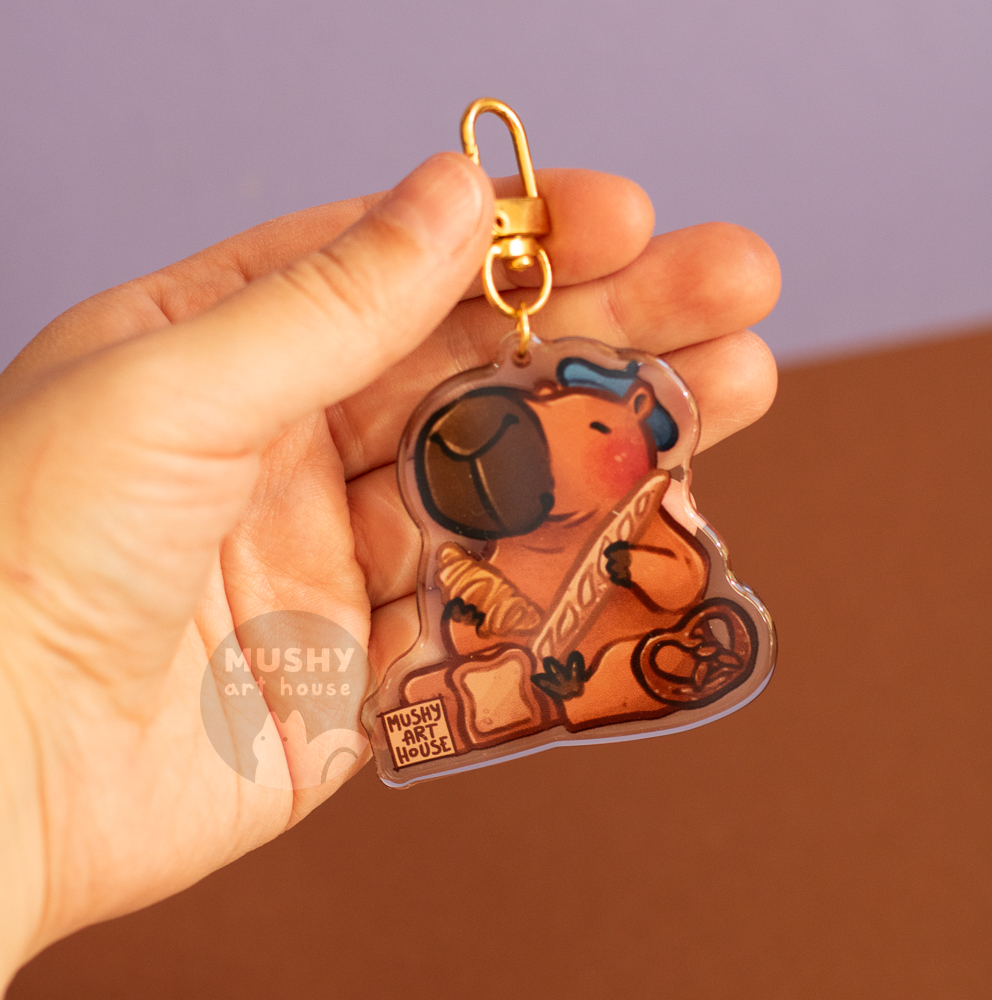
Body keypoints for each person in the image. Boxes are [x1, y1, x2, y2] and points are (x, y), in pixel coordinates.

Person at [0, 152, 780, 985]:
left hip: (615, 647)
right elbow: (490, 610)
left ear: (634, 417)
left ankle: (660, 666)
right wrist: (482, 609)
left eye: (584, 436)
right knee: (466, 682)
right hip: (539, 665)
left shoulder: (647, 519)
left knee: (599, 667)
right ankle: (529, 695)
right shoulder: (513, 541)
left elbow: (675, 582)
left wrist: (632, 567)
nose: (545, 467)